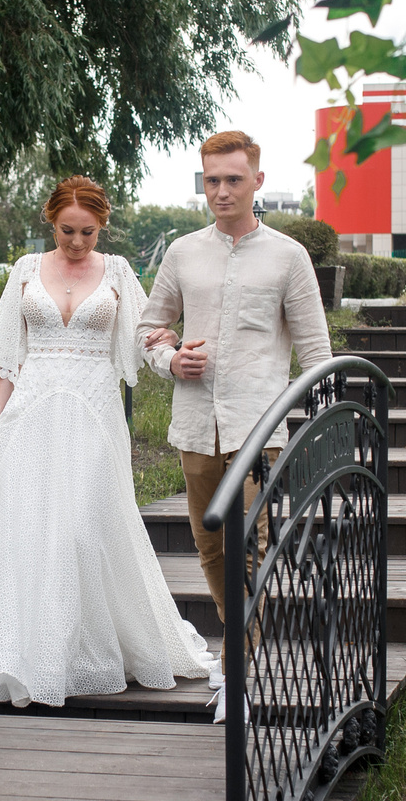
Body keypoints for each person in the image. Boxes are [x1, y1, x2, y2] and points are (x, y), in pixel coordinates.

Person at [0, 177, 215, 707]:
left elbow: (146, 338)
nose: (77, 242)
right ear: (49, 221)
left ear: (103, 225)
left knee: (81, 529)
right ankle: (26, 652)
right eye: (67, 231)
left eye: (88, 232)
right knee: (31, 529)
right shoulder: (25, 272)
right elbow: (10, 353)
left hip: (94, 412)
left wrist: (171, 358)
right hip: (31, 412)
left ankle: (82, 651)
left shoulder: (119, 272)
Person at [137, 130, 333, 619]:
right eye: (211, 181)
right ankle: (239, 651)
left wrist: (327, 428)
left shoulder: (289, 256)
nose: (221, 192)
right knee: (209, 545)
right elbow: (147, 328)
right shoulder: (182, 253)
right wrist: (172, 359)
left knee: (248, 544)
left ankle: (236, 667)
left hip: (257, 426)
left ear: (257, 180)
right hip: (196, 425)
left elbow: (316, 352)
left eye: (233, 179)